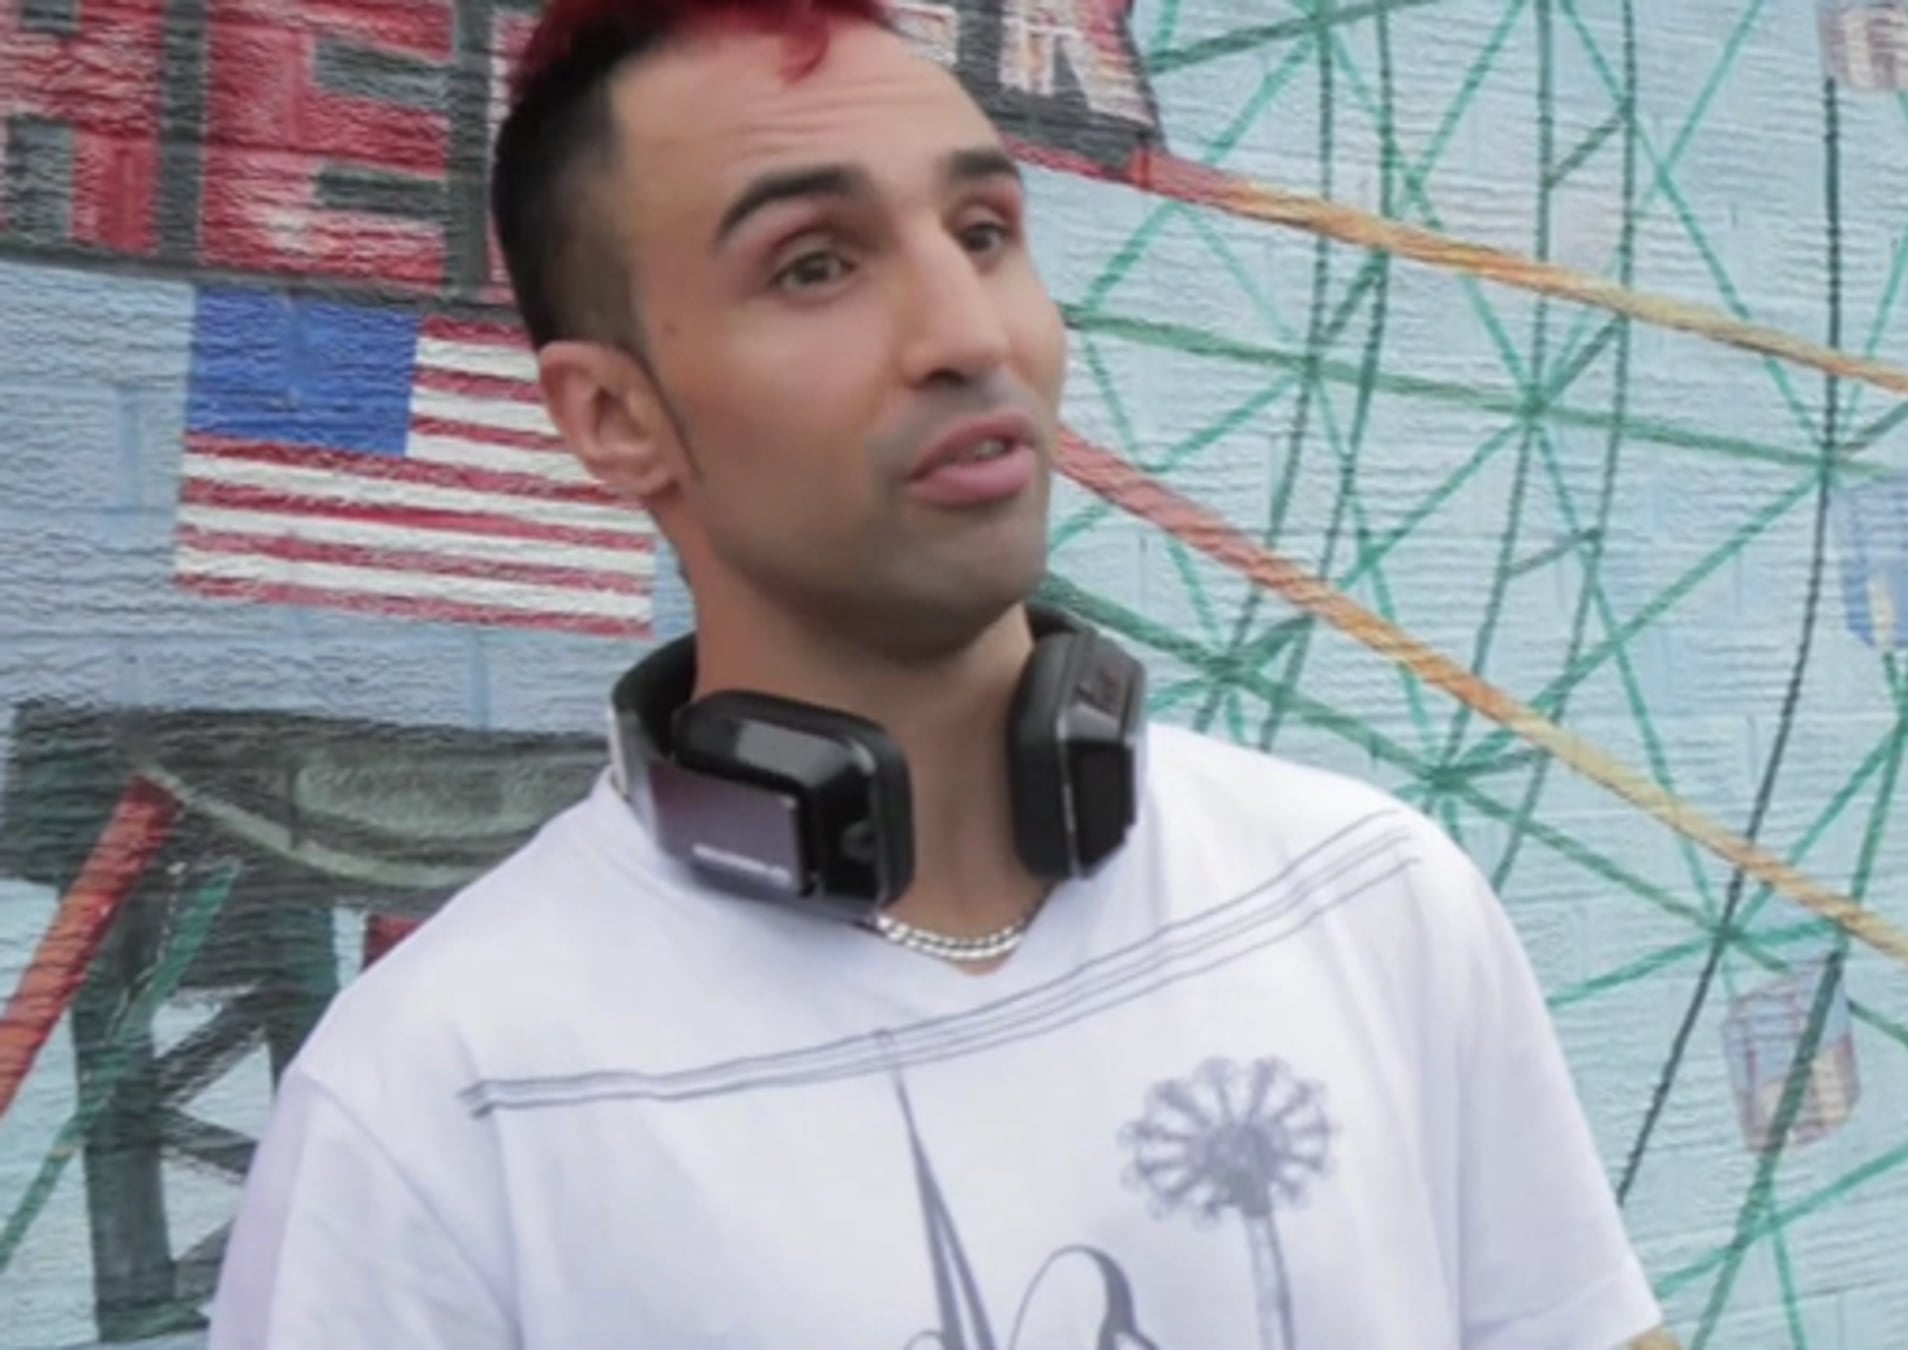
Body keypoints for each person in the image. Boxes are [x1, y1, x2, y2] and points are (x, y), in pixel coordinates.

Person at [203, 0, 1666, 1344]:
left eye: (983, 231)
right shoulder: (434, 1114)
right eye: (816, 265)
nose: (970, 335)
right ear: (613, 417)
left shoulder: (1370, 902)